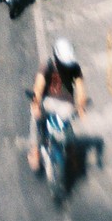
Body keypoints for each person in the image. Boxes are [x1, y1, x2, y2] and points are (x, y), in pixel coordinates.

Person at [28, 37, 87, 171]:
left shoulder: (47, 65)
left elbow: (38, 86)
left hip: (52, 104)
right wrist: (81, 108)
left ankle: (35, 150)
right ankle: (71, 154)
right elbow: (81, 90)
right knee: (67, 127)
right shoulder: (74, 68)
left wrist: (36, 103)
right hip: (65, 107)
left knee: (35, 118)